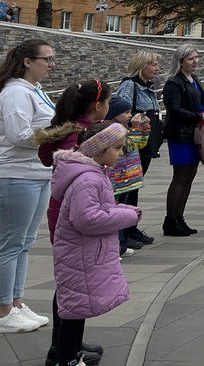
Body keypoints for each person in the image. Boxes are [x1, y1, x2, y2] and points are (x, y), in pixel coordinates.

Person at [50, 122, 140, 366]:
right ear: (99, 150)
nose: (120, 154)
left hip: (82, 252)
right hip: (80, 253)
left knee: (77, 307)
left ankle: (67, 354)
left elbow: (95, 209)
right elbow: (86, 218)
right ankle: (66, 359)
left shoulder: (93, 174)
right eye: (118, 148)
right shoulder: (88, 179)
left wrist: (120, 209)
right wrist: (127, 215)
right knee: (74, 310)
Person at [0, 38, 56, 335]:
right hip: (15, 174)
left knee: (24, 243)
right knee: (10, 243)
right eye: (46, 59)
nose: (50, 65)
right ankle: (2, 310)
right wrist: (61, 133)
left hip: (36, 173)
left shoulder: (35, 90)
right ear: (28, 62)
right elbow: (19, 134)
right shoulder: (16, 92)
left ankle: (15, 303)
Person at [36, 79, 112, 242]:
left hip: (67, 210)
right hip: (75, 213)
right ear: (98, 106)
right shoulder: (82, 138)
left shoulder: (70, 132)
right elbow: (81, 182)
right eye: (108, 102)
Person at [162, 45, 204, 236]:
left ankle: (179, 217)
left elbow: (200, 102)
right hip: (181, 134)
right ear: (181, 60)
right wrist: (198, 116)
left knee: (189, 176)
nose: (196, 61)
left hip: (194, 133)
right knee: (180, 176)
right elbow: (174, 109)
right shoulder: (173, 83)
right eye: (191, 58)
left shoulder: (195, 80)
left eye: (197, 57)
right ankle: (170, 220)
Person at [112, 51, 161, 249]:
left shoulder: (148, 86)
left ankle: (131, 227)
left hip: (145, 143)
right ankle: (124, 230)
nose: (157, 68)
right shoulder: (130, 85)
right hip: (133, 145)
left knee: (134, 185)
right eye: (153, 64)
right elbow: (121, 112)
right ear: (141, 65)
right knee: (128, 187)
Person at [102, 96, 150, 255]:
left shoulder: (126, 128)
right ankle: (119, 246)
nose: (130, 115)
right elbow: (129, 145)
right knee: (118, 212)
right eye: (126, 112)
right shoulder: (114, 130)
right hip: (120, 179)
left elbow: (141, 143)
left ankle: (122, 243)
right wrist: (136, 127)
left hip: (130, 177)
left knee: (124, 212)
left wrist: (144, 127)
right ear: (114, 113)